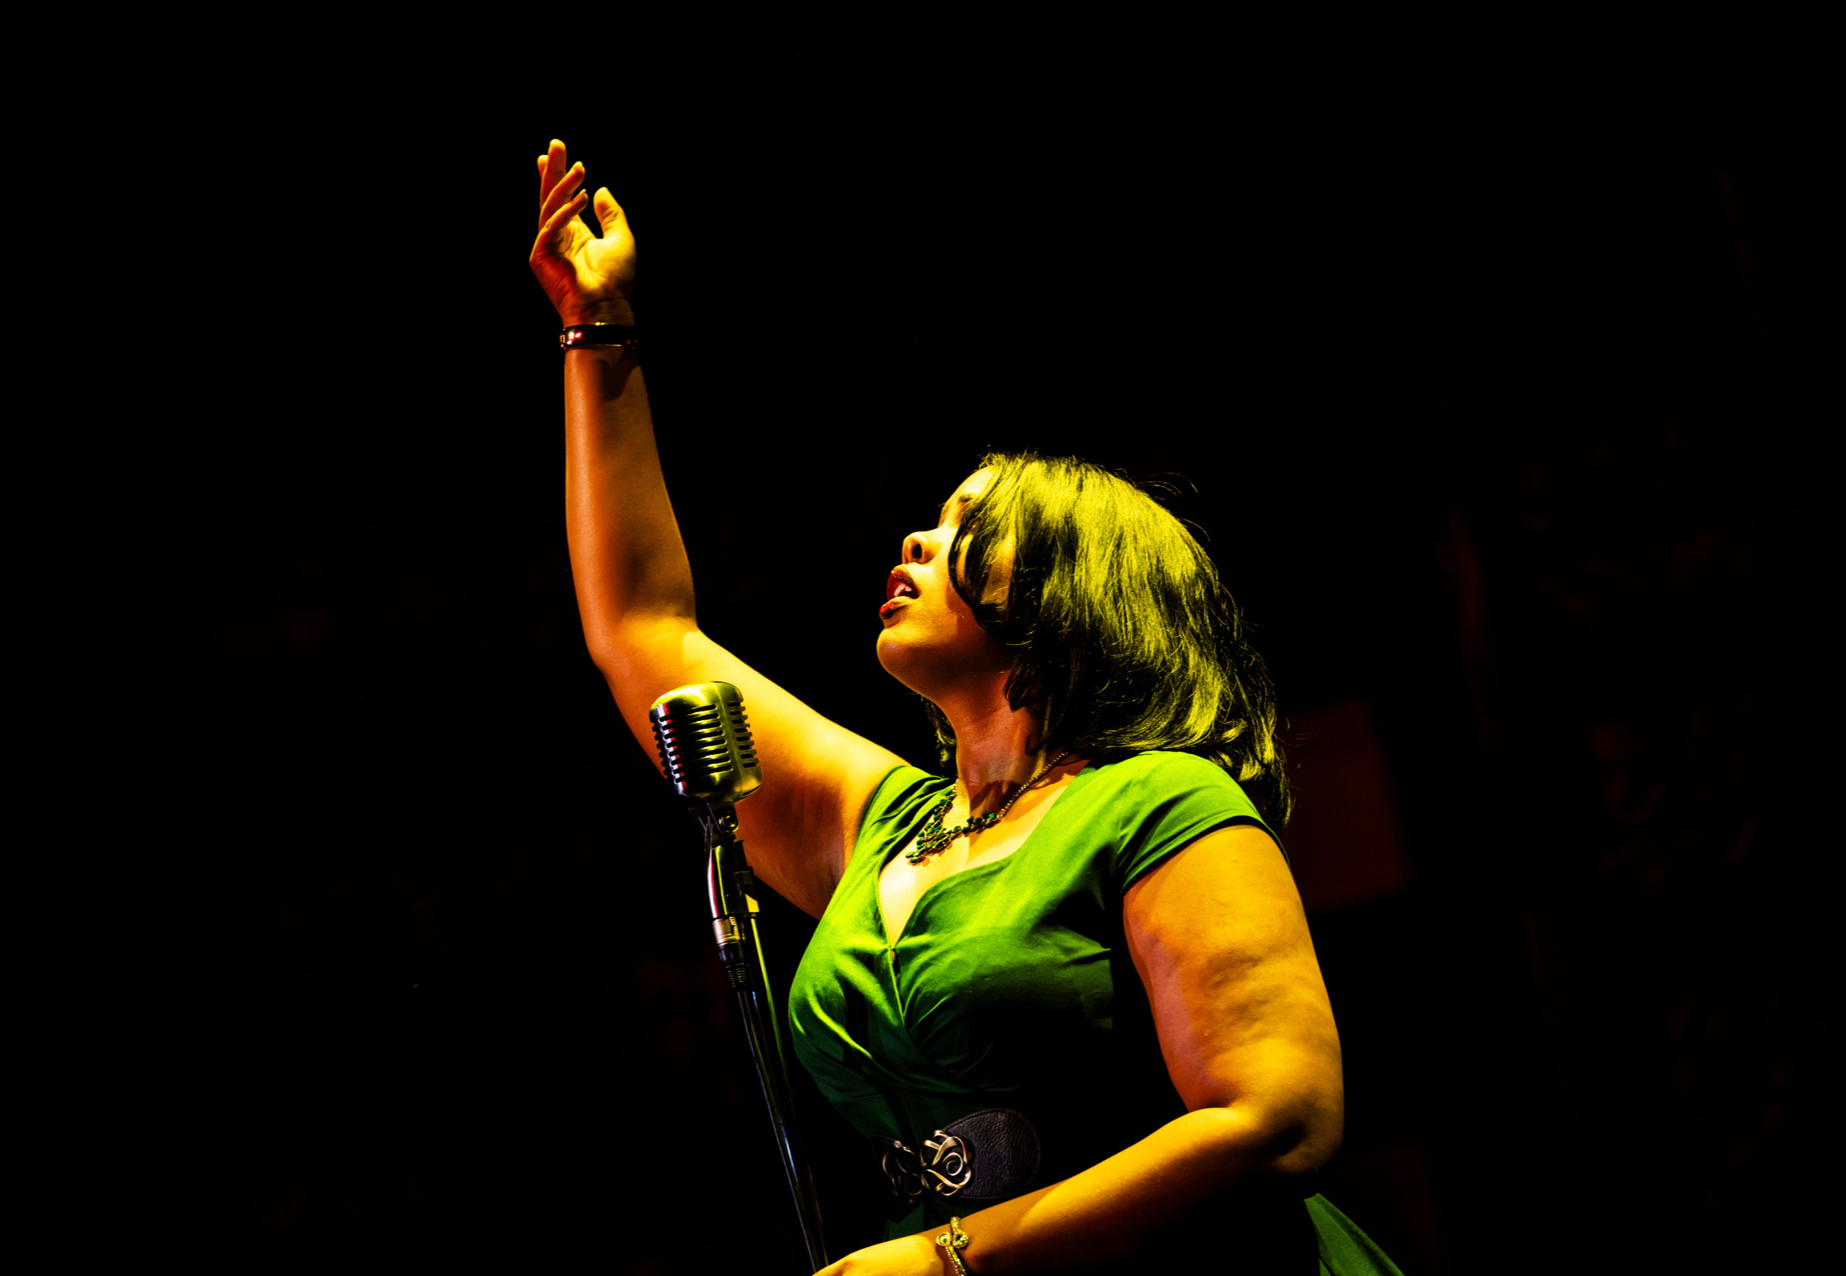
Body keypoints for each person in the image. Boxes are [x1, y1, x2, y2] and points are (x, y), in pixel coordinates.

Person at [529, 139, 1403, 1275]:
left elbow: (1279, 1115)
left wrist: (946, 1259)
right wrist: (596, 334)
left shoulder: (1161, 806)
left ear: (1070, 593)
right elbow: (644, 628)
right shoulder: (884, 829)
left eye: (965, 529)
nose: (915, 539)